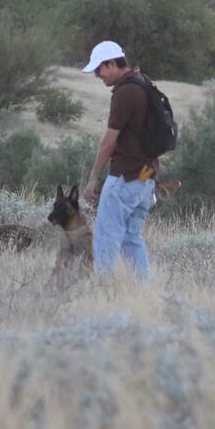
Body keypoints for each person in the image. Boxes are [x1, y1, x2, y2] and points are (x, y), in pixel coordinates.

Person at [81, 40, 157, 278]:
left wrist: (93, 178)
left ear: (112, 63)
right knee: (131, 236)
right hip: (147, 175)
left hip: (125, 175)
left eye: (99, 69)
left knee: (105, 235)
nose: (97, 75)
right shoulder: (144, 83)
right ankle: (144, 291)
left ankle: (102, 289)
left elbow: (109, 141)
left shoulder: (126, 92)